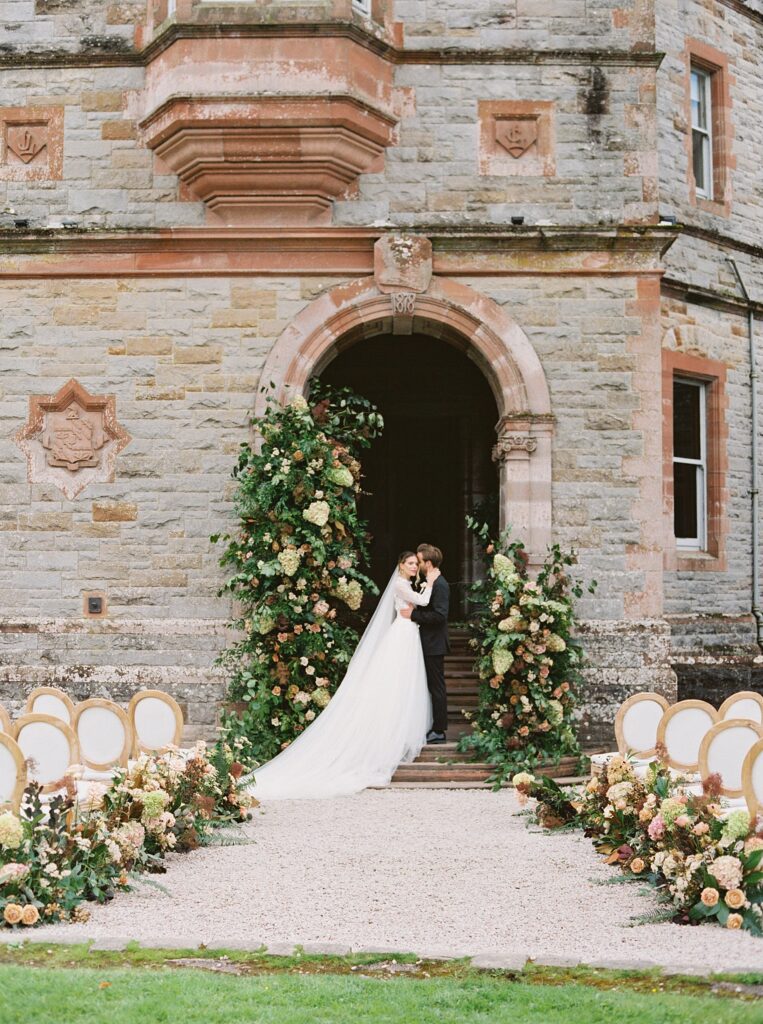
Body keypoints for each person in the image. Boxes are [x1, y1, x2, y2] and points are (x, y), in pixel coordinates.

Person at [249, 551, 438, 799]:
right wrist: (431, 582)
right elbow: (422, 602)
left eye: (416, 564)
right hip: (402, 635)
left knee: (405, 684)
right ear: (401, 565)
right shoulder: (401, 585)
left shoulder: (407, 583)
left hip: (407, 634)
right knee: (396, 682)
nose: (414, 567)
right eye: (411, 563)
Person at [400, 544, 450, 744]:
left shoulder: (440, 584)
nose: (417, 565)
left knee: (436, 686)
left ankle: (439, 729)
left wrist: (414, 615)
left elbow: (440, 616)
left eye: (419, 561)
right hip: (426, 642)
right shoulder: (430, 581)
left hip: (434, 644)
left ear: (428, 563)